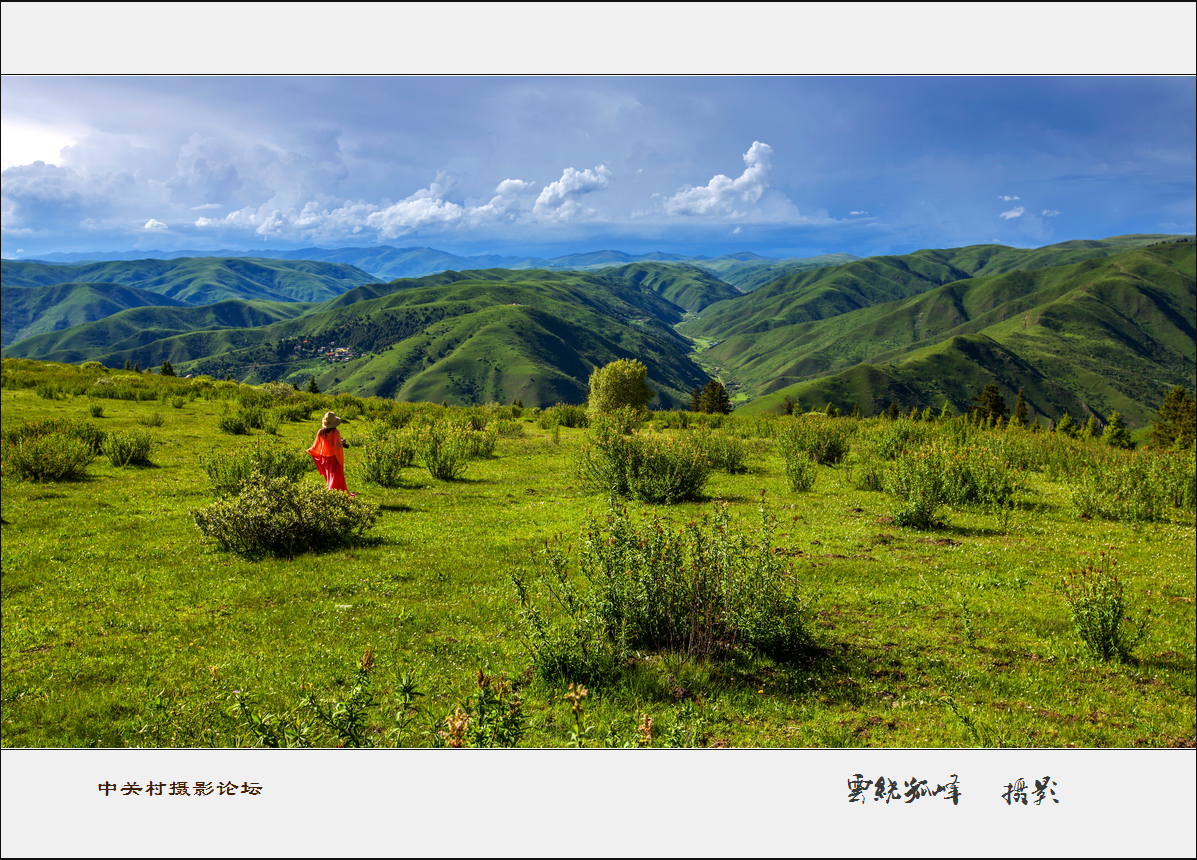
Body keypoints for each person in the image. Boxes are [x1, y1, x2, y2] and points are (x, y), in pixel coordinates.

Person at [308, 411, 352, 494]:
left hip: (324, 457)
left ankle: (331, 490)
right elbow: (337, 446)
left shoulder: (320, 432)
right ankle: (333, 492)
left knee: (329, 475)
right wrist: (342, 442)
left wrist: (310, 451)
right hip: (334, 457)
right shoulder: (336, 432)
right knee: (336, 477)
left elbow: (316, 445)